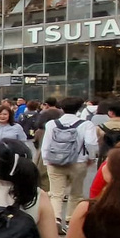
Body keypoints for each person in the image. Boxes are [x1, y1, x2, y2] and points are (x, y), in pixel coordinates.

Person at [40, 97, 97, 230]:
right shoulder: (86, 124)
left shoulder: (52, 124)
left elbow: (46, 144)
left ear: (61, 108)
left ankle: (56, 219)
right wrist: (91, 158)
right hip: (78, 162)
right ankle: (71, 220)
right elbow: (91, 143)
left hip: (54, 162)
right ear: (79, 108)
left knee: (56, 193)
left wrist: (46, 160)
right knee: (76, 193)